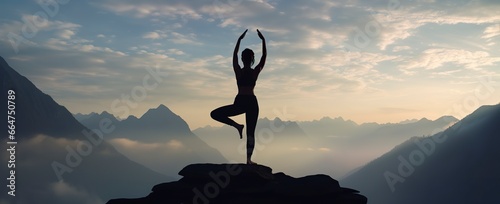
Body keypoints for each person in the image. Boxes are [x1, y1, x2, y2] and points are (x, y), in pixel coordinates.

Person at [210, 29, 267, 165]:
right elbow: (264, 57)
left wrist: (239, 40)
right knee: (251, 132)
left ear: (243, 58)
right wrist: (263, 40)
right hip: (252, 102)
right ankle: (248, 159)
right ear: (252, 59)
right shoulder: (255, 72)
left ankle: (236, 125)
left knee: (215, 114)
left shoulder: (238, 71)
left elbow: (234, 55)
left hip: (240, 101)